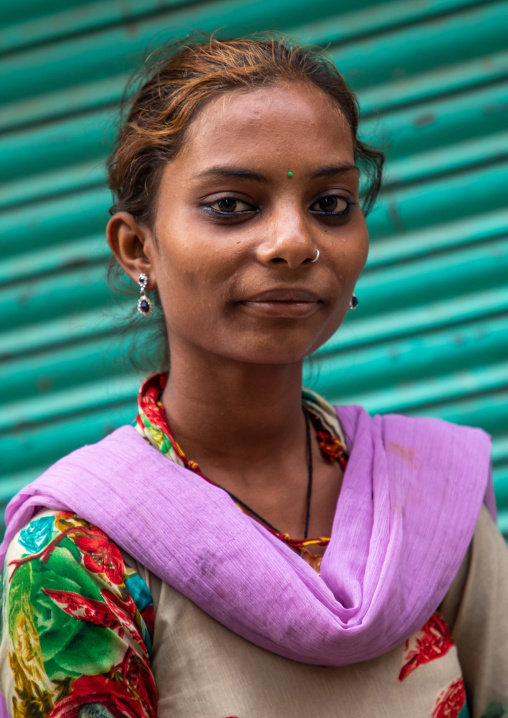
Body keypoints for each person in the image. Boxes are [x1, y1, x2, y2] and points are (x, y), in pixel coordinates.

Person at [0, 36, 507, 718]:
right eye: (233, 205)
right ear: (136, 247)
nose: (294, 242)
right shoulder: (75, 555)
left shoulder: (430, 496)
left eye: (329, 204)